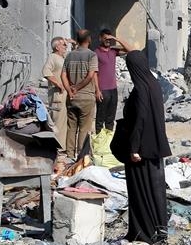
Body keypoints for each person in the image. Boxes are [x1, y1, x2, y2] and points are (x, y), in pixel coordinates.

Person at [122, 50, 171, 244]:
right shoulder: (153, 84)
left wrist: (134, 147)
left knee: (141, 192)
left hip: (141, 150)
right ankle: (158, 230)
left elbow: (140, 118)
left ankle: (145, 233)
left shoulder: (141, 88)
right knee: (154, 191)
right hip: (154, 147)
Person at [62, 29, 98, 159]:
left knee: (71, 127)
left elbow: (63, 75)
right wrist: (77, 87)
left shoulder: (69, 55)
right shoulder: (92, 55)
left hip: (72, 98)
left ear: (77, 40)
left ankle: (70, 155)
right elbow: (91, 75)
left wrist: (69, 90)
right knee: (84, 128)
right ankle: (81, 157)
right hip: (86, 97)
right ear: (89, 40)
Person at [94, 29, 131, 133]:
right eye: (105, 38)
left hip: (113, 89)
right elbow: (94, 73)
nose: (108, 41)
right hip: (102, 90)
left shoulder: (113, 51)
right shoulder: (96, 53)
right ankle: (99, 139)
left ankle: (109, 139)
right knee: (100, 118)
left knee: (110, 118)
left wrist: (116, 39)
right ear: (100, 38)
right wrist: (97, 90)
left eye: (109, 39)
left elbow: (129, 49)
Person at [42, 37, 73, 154]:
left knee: (66, 120)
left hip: (66, 93)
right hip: (57, 93)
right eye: (63, 45)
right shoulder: (52, 57)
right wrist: (58, 84)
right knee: (58, 120)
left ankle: (64, 147)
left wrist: (70, 43)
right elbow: (46, 72)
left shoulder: (63, 57)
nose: (65, 46)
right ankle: (58, 148)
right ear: (57, 47)